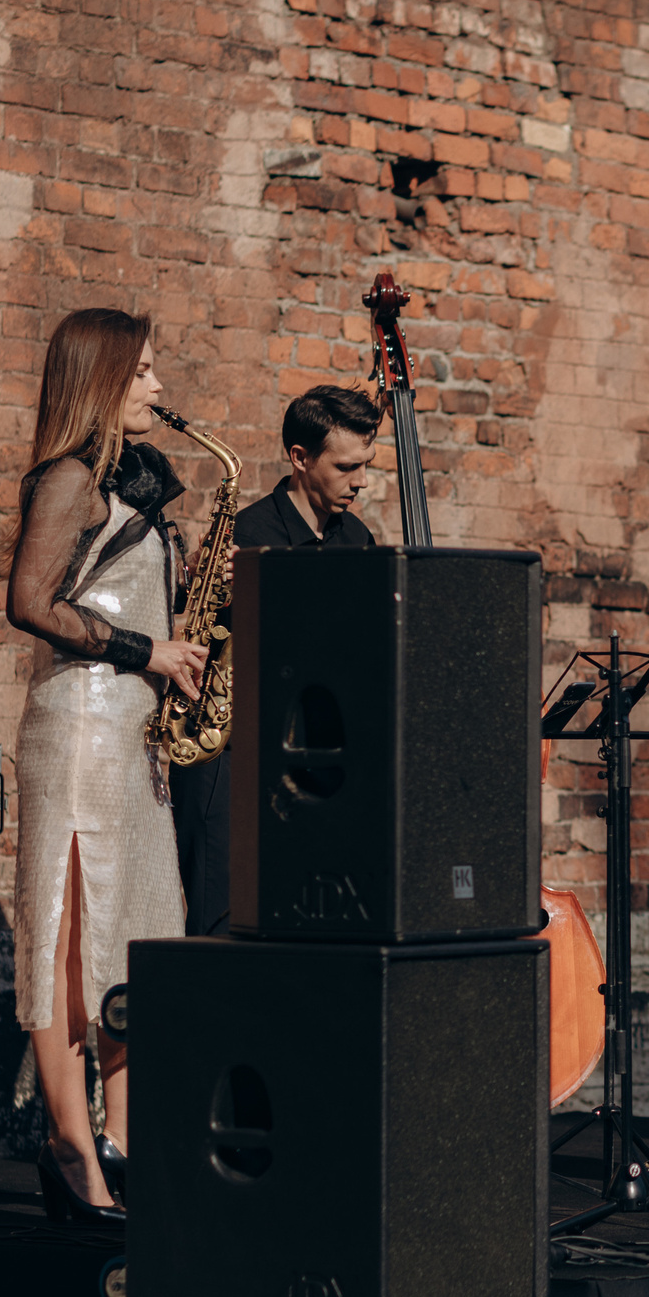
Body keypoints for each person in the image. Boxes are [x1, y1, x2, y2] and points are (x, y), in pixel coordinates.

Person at [4, 308, 209, 1221]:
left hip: (131, 733)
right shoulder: (69, 479)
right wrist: (147, 650)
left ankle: (122, 1139)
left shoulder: (133, 487)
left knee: (131, 936)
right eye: (147, 373)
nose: (161, 388)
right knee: (66, 933)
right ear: (106, 382)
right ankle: (69, 1146)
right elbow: (28, 602)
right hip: (81, 726)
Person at [170, 384, 382, 937]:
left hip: (310, 760)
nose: (361, 482)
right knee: (220, 924)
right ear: (300, 458)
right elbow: (192, 633)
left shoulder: (357, 539)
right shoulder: (244, 536)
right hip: (229, 755)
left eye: (367, 465)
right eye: (347, 467)